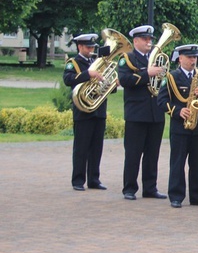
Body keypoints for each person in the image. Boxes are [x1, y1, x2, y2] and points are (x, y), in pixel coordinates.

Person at [157, 44, 198, 208]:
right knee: (178, 162)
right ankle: (176, 195)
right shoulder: (172, 77)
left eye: (195, 57)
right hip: (180, 126)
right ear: (180, 58)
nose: (193, 60)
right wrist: (177, 111)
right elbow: (161, 101)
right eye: (189, 57)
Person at [117, 25, 167, 200]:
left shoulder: (157, 59)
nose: (149, 42)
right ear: (136, 41)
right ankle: (129, 188)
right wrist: (148, 73)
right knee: (133, 153)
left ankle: (150, 188)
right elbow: (124, 80)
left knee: (153, 153)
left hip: (156, 113)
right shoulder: (127, 58)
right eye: (145, 39)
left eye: (150, 39)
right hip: (137, 113)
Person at [63, 33, 107, 192]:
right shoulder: (73, 62)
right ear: (80, 47)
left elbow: (107, 86)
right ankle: (78, 180)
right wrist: (87, 74)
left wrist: (110, 83)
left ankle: (94, 179)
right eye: (88, 47)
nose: (91, 50)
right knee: (81, 147)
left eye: (92, 47)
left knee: (97, 147)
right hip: (83, 111)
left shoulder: (98, 62)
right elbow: (68, 79)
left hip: (99, 110)